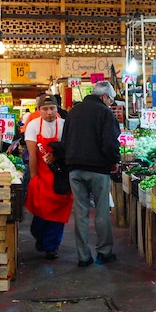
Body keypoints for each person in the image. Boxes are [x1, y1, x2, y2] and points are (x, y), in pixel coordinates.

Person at [59, 81, 120, 268]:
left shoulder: (73, 112)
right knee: (101, 212)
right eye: (110, 100)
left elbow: (65, 140)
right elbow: (110, 142)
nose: (110, 104)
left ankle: (83, 256)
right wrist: (114, 162)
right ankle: (104, 252)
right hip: (98, 169)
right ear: (104, 97)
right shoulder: (104, 112)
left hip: (74, 169)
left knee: (80, 213)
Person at [23, 95, 73, 260]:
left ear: (57, 109)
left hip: (60, 177)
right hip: (42, 176)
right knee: (41, 210)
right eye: (45, 109)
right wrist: (34, 178)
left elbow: (71, 149)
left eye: (52, 108)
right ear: (38, 111)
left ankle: (52, 246)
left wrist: (58, 155)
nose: (49, 112)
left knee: (58, 212)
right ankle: (39, 236)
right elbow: (32, 155)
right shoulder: (33, 126)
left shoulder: (65, 126)